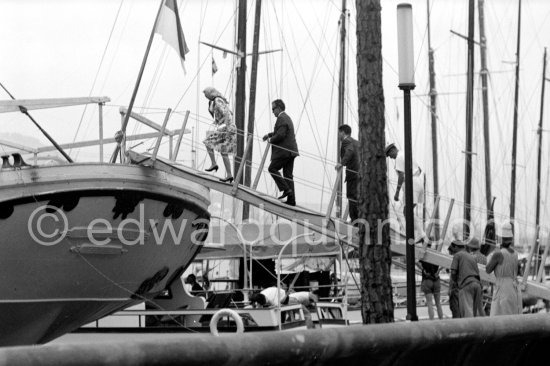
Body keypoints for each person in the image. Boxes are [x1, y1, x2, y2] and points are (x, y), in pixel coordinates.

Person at [385, 143, 425, 243]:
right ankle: (420, 234)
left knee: (407, 211)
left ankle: (421, 235)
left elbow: (401, 176)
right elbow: (419, 169)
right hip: (418, 182)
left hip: (411, 184)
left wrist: (397, 192)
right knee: (408, 211)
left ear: (392, 150)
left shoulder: (399, 157)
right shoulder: (406, 155)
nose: (391, 158)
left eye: (390, 155)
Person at [263, 99, 299, 206]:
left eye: (273, 109)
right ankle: (291, 200)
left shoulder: (281, 118)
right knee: (288, 175)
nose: (273, 112)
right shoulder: (286, 118)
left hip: (284, 152)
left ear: (278, 108)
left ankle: (286, 189)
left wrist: (271, 140)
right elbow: (279, 131)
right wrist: (269, 135)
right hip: (291, 152)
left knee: (272, 168)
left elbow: (281, 134)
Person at [486, 221, 522, 316]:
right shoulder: (515, 253)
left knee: (498, 317)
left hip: (502, 289)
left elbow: (488, 269)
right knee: (511, 318)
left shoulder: (498, 253)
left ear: (500, 238)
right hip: (513, 289)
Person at [202, 87, 236, 183]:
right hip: (229, 127)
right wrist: (217, 121)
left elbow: (226, 113)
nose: (206, 97)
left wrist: (223, 124)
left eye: (206, 95)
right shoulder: (217, 100)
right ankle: (229, 175)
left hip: (226, 127)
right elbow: (228, 113)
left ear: (210, 94)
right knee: (224, 152)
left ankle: (214, 163)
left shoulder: (217, 100)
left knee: (207, 142)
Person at [450, 240, 485, 318]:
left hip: (466, 284)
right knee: (478, 312)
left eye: (452, 249)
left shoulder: (457, 255)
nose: (452, 251)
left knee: (467, 312)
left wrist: (455, 282)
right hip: (477, 284)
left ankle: (470, 330)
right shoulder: (471, 256)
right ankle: (483, 328)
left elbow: (453, 272)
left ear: (455, 247)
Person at [335, 124, 359, 222]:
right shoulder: (357, 142)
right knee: (357, 197)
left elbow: (349, 151)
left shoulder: (346, 141)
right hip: (360, 173)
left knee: (351, 196)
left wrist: (341, 163)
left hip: (353, 174)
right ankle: (358, 220)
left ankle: (355, 221)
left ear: (343, 132)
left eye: (339, 133)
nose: (338, 136)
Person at [447, 240, 462, 318]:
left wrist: (450, 289)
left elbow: (453, 275)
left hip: (456, 288)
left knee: (455, 309)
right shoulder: (465, 256)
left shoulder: (456, 258)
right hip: (462, 288)